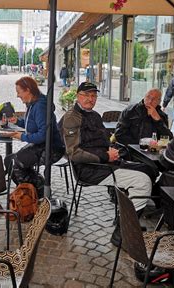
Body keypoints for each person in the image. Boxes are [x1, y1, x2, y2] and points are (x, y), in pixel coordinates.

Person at [62, 82, 152, 247]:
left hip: (105, 163)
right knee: (143, 181)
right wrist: (105, 156)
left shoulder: (95, 116)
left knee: (148, 169)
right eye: (86, 95)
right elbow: (73, 154)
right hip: (90, 169)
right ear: (78, 96)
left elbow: (104, 140)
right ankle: (122, 234)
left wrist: (113, 149)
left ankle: (126, 221)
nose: (91, 99)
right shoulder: (71, 118)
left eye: (94, 95)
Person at [3, 76, 65, 186]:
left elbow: (43, 135)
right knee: (8, 160)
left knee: (14, 164)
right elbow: (32, 125)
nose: (17, 95)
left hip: (51, 148)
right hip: (40, 145)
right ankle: (32, 189)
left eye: (19, 92)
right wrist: (17, 121)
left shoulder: (40, 106)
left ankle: (36, 190)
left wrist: (21, 137)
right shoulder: (32, 104)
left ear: (28, 90)